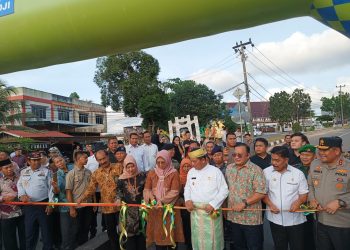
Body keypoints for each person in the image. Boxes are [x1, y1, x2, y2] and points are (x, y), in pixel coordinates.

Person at [308, 137, 350, 250]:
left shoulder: (348, 167)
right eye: (319, 149)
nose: (320, 153)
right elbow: (310, 185)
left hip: (342, 225)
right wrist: (312, 199)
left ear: (336, 151)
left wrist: (341, 202)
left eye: (325, 150)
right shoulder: (314, 164)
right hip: (319, 221)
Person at [263, 146, 308, 250]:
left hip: (295, 220)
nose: (274, 163)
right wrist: (270, 204)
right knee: (279, 246)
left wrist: (298, 202)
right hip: (275, 219)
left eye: (277, 160)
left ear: (286, 160)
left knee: (297, 246)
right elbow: (263, 194)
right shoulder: (266, 172)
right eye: (272, 159)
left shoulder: (298, 174)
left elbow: (304, 195)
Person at [78, 150, 123, 249]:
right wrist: (82, 198)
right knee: (111, 233)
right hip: (107, 208)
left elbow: (126, 183)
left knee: (123, 232)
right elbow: (91, 188)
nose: (102, 161)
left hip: (121, 206)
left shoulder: (118, 167)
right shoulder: (96, 173)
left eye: (104, 158)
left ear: (108, 157)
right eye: (100, 160)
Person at [184, 148, 228, 250]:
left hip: (211, 211)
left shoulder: (215, 171)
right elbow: (187, 188)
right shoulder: (191, 172)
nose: (192, 164)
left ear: (203, 160)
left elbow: (224, 190)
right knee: (198, 239)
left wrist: (213, 204)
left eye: (194, 161)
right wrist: (187, 200)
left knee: (213, 240)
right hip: (196, 212)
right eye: (192, 161)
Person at [226, 143, 266, 250]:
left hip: (251, 219)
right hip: (234, 217)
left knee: (254, 247)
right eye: (234, 155)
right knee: (239, 246)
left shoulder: (256, 170)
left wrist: (244, 203)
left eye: (240, 155)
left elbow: (261, 192)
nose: (237, 157)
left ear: (248, 155)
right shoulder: (229, 168)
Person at [143, 150, 184, 249]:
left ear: (168, 161)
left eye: (163, 162)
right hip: (156, 209)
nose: (160, 165)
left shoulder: (174, 173)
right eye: (158, 162)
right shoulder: (152, 173)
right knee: (158, 237)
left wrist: (162, 201)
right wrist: (153, 199)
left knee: (171, 234)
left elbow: (175, 191)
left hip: (169, 209)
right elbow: (146, 189)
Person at [17, 152, 53, 250]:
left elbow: (51, 189)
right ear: (28, 161)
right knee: (30, 232)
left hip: (44, 205)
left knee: (46, 232)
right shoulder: (23, 172)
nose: (36, 162)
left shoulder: (47, 171)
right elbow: (20, 185)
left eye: (38, 160)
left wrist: (51, 204)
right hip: (29, 206)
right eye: (34, 160)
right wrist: (22, 195)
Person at [116, 155, 147, 250]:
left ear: (136, 165)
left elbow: (146, 190)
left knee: (141, 236)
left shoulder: (142, 176)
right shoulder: (121, 179)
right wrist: (118, 199)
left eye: (132, 166)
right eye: (128, 167)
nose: (130, 169)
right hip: (128, 212)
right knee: (130, 237)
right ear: (125, 167)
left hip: (141, 210)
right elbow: (119, 192)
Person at [65, 151, 93, 247]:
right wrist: (72, 208)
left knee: (86, 228)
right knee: (75, 230)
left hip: (88, 205)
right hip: (77, 206)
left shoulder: (88, 172)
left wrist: (94, 203)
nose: (87, 159)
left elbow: (91, 188)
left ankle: (84, 246)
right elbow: (68, 192)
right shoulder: (71, 174)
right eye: (85, 158)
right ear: (78, 159)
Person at [295, 144, 317, 250]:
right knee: (302, 232)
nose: (304, 157)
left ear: (314, 156)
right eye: (302, 154)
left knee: (315, 233)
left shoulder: (319, 169)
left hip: (317, 205)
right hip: (301, 206)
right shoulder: (296, 169)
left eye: (308, 155)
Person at [0, 158, 25, 250]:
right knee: (9, 239)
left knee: (25, 236)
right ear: (1, 169)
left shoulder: (21, 177)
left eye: (10, 167)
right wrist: (3, 198)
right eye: (6, 168)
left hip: (23, 212)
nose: (9, 169)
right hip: (7, 214)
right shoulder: (0, 181)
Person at [52, 156, 74, 250]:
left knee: (76, 228)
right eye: (57, 162)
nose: (59, 163)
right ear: (55, 164)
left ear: (65, 160)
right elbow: (56, 193)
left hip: (77, 202)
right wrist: (56, 188)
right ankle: (65, 246)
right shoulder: (55, 175)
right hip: (64, 205)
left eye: (60, 160)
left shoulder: (73, 168)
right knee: (65, 229)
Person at [179, 158, 193, 250]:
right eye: (184, 166)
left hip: (193, 204)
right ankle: (187, 243)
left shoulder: (193, 176)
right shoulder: (179, 177)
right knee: (186, 225)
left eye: (188, 166)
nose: (186, 168)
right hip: (183, 205)